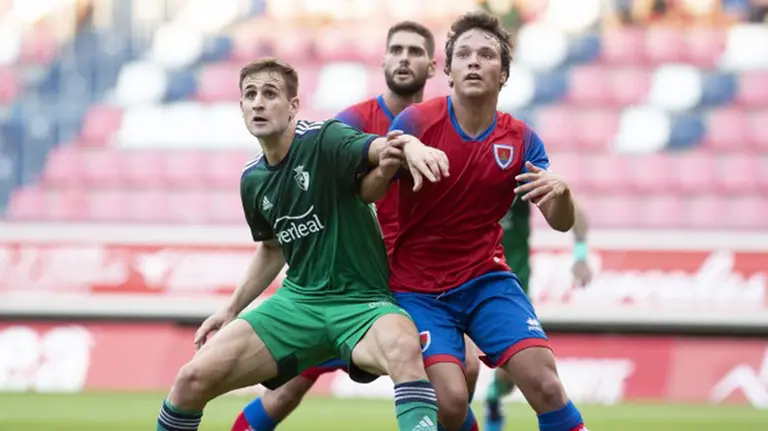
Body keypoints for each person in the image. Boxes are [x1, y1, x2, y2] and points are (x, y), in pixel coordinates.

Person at [155, 57, 449, 431]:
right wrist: (231, 309)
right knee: (189, 380)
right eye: (250, 95)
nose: (258, 102)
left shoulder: (324, 139)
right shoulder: (253, 180)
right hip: (298, 305)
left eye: (270, 93)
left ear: (293, 106)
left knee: (404, 350)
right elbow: (273, 248)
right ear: (241, 107)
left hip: (362, 304)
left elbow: (379, 149)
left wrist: (410, 146)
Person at [231, 21, 481, 431]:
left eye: (415, 51)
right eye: (396, 50)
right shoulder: (352, 120)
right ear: (382, 60)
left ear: (433, 66)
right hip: (349, 275)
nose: (404, 58)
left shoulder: (448, 123)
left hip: (415, 275)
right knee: (285, 390)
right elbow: (334, 190)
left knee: (463, 371)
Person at [362, 11, 590, 431]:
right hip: (418, 288)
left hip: (486, 281)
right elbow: (371, 193)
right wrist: (398, 153)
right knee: (449, 402)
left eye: (486, 55)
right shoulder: (415, 122)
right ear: (447, 71)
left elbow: (559, 221)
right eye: (463, 54)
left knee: (546, 385)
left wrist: (564, 194)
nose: (473, 61)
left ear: (503, 73)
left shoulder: (521, 139)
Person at [484, 199, 593, 431]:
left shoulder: (518, 178)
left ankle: (493, 399)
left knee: (511, 375)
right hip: (465, 285)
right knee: (461, 371)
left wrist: (581, 255)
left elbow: (577, 214)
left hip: (512, 292)